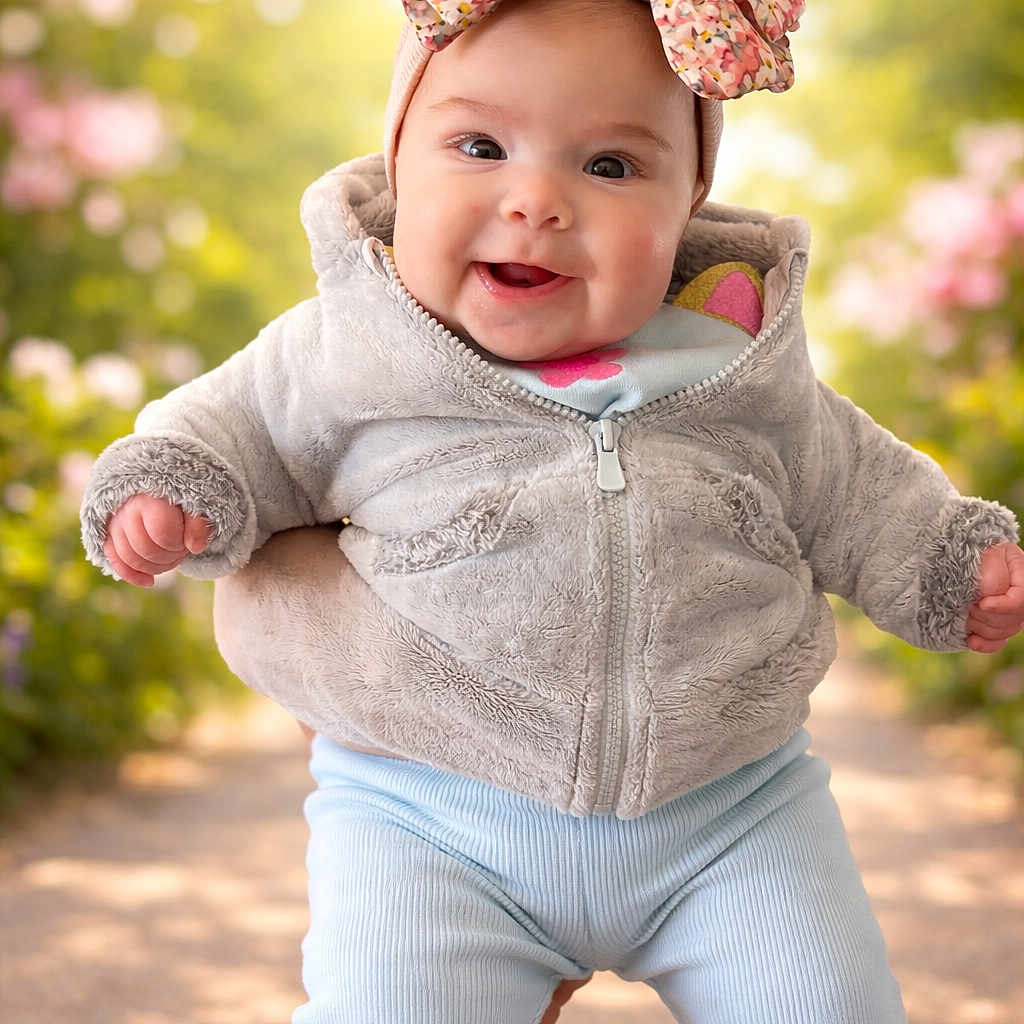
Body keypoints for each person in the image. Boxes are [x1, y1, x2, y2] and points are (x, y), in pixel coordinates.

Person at [80, 0, 1024, 1021]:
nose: (536, 199)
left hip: (733, 812)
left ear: (689, 199)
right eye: (480, 146)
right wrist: (170, 482)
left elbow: (857, 483)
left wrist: (944, 562)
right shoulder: (349, 353)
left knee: (826, 1006)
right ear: (399, 161)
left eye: (610, 167)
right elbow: (230, 427)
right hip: (430, 816)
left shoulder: (734, 362)